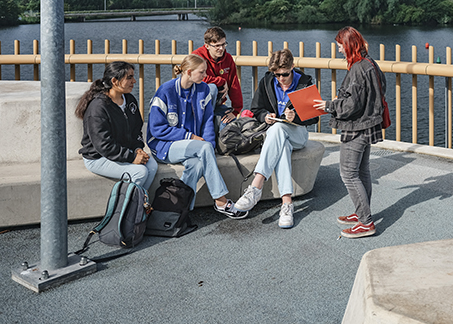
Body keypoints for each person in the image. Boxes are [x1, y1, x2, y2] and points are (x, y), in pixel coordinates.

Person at [147, 54, 247, 219]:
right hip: (163, 146)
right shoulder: (165, 91)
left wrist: (209, 143)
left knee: (197, 165)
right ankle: (220, 200)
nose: (205, 75)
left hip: (189, 146)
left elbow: (208, 120)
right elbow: (156, 129)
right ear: (188, 72)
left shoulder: (203, 89)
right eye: (201, 72)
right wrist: (190, 136)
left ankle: (181, 209)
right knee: (204, 149)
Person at [233, 49, 319, 228]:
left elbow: (314, 117)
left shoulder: (305, 82)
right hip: (278, 137)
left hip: (298, 133)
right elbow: (256, 110)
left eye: (285, 74)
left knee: (279, 129)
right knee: (282, 145)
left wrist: (295, 117)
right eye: (277, 75)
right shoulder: (267, 82)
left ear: (293, 67)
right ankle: (287, 203)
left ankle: (255, 187)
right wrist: (265, 116)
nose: (281, 78)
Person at [313, 26, 385, 238]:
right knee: (362, 171)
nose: (339, 51)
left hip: (357, 126)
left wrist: (328, 106)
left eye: (340, 47)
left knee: (348, 173)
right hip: (369, 123)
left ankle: (365, 222)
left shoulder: (357, 69)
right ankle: (362, 213)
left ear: (348, 45)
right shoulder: (370, 63)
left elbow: (352, 104)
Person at [77, 61, 158, 191]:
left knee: (152, 166)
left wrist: (137, 148)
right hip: (98, 157)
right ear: (115, 81)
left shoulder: (129, 100)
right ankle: (126, 209)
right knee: (140, 172)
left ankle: (140, 204)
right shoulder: (98, 108)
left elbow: (137, 129)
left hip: (122, 152)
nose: (134, 81)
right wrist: (132, 157)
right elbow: (104, 146)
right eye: (129, 77)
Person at [192, 26, 242, 130]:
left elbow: (234, 84)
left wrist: (235, 111)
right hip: (197, 106)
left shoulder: (228, 58)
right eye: (217, 45)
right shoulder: (197, 56)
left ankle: (219, 144)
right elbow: (199, 78)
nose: (221, 48)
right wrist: (221, 81)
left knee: (230, 123)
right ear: (207, 46)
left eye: (223, 44)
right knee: (212, 88)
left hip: (217, 105)